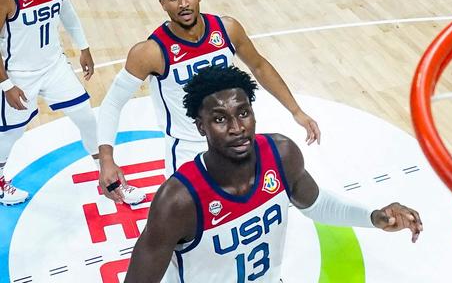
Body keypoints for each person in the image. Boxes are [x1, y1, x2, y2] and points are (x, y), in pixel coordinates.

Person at [123, 66, 421, 282]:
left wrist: (375, 217)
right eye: (219, 119)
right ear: (201, 127)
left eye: (243, 113)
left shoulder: (281, 154)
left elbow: (317, 205)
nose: (237, 128)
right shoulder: (178, 200)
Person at [96, 0, 321, 199]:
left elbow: (259, 67)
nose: (183, 3)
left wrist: (296, 111)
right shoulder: (150, 52)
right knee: (188, 227)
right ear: (162, 4)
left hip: (233, 140)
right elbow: (112, 103)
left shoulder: (227, 29)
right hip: (187, 149)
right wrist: (106, 160)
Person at [0, 0, 123, 205]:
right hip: (20, 75)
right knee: (10, 133)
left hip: (55, 66)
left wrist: (84, 47)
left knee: (86, 117)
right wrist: (6, 85)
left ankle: (108, 176)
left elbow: (67, 14)